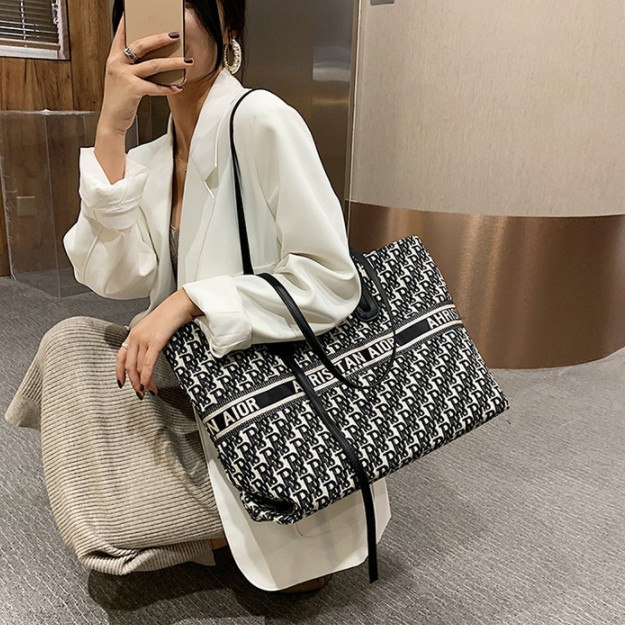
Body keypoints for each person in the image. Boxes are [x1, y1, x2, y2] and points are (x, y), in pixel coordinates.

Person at [5, 0, 391, 592]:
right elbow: (111, 274)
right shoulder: (153, 157)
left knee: (108, 520)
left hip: (272, 396)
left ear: (227, 28)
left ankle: (274, 512)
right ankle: (226, 521)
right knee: (70, 344)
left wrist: (190, 300)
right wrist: (110, 129)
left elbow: (330, 279)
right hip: (198, 382)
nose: (160, 23)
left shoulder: (263, 120)